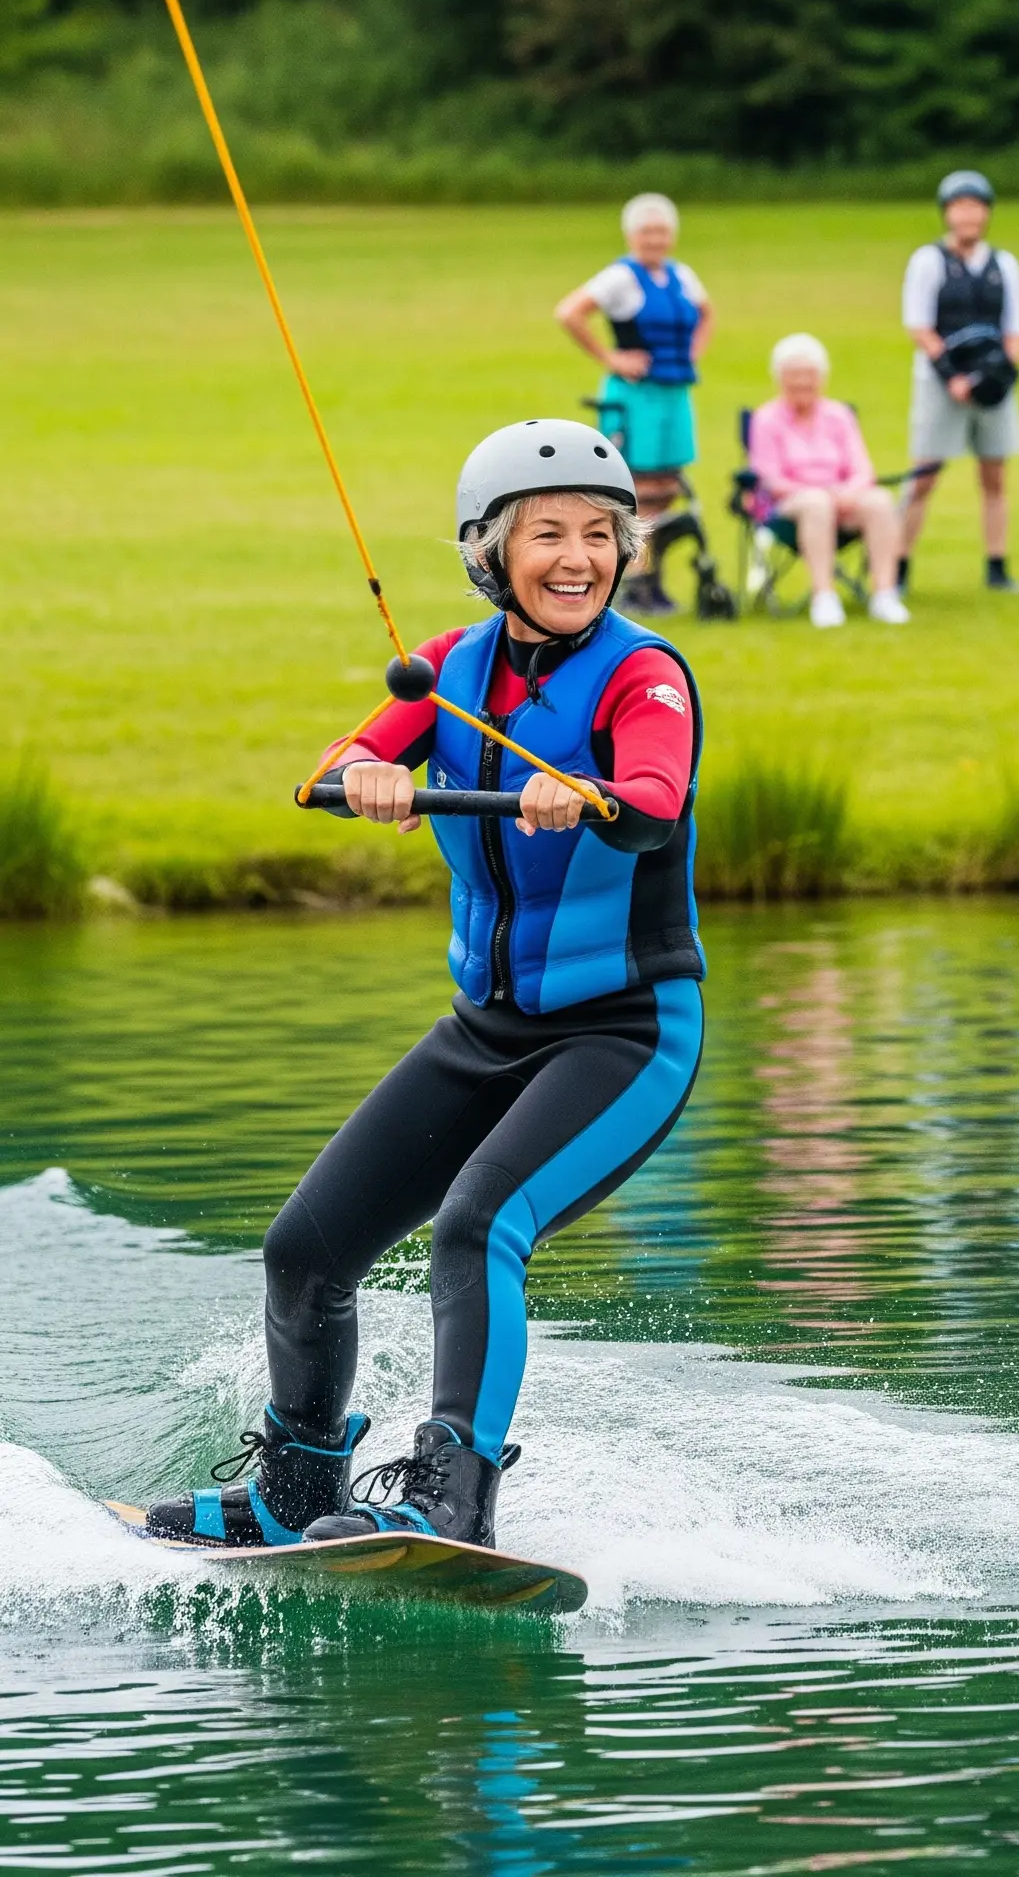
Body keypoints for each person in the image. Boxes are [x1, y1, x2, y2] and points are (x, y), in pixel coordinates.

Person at [145, 421, 705, 1550]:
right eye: (548, 533)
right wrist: (366, 778)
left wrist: (585, 793)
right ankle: (295, 1493)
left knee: (477, 1224)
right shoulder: (447, 671)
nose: (578, 556)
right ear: (490, 551)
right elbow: (333, 765)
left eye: (601, 533)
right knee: (304, 1248)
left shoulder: (644, 673)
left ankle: (456, 1495)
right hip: (482, 1030)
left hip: (624, 1033)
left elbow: (654, 792)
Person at [554, 192, 716, 613]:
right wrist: (611, 358)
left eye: (662, 231)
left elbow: (707, 313)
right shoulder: (620, 278)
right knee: (634, 489)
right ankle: (634, 580)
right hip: (635, 396)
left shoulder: (681, 275)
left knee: (666, 487)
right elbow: (569, 312)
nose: (655, 239)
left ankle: (653, 577)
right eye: (646, 231)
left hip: (674, 393)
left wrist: (692, 352)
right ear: (631, 235)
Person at [899, 169, 1019, 595]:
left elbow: (1016, 328)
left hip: (990, 382)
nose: (969, 216)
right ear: (947, 213)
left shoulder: (1003, 264)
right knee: (925, 476)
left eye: (977, 208)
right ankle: (897, 566)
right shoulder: (929, 261)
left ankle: (997, 565)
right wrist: (953, 377)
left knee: (994, 475)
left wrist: (1000, 376)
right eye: (961, 208)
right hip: (942, 381)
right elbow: (920, 327)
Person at [746, 334, 908, 627]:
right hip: (788, 504)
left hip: (842, 498)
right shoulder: (766, 419)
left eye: (809, 375)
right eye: (794, 375)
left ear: (822, 378)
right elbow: (770, 478)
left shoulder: (839, 415)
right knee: (816, 503)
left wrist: (848, 493)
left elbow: (862, 469)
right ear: (780, 379)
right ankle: (824, 596)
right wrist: (824, 494)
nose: (802, 383)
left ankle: (885, 594)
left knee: (880, 501)